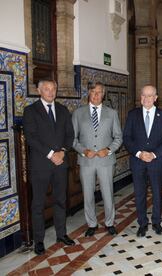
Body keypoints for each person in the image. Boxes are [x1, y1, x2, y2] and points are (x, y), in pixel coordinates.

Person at [23, 79, 75, 255]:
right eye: (46, 89)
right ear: (39, 91)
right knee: (38, 203)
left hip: (60, 163)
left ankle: (61, 234)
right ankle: (39, 240)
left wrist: (62, 151)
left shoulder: (62, 110)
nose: (51, 92)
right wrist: (50, 154)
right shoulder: (30, 111)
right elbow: (31, 137)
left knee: (60, 200)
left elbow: (70, 135)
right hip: (41, 165)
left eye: (53, 89)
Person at [72, 82, 123, 237]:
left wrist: (108, 150)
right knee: (88, 194)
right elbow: (72, 139)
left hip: (106, 161)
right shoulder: (78, 113)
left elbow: (118, 137)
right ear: (89, 93)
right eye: (93, 92)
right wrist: (83, 150)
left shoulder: (112, 113)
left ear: (103, 94)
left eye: (99, 92)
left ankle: (109, 222)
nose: (96, 95)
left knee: (108, 193)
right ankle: (92, 224)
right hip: (86, 161)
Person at [123, 85, 162, 237]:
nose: (147, 98)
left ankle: (156, 223)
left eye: (150, 96)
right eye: (144, 95)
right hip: (138, 161)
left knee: (157, 193)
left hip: (156, 161)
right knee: (139, 193)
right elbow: (127, 138)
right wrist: (139, 153)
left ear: (155, 98)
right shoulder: (133, 115)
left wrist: (154, 154)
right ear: (140, 97)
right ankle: (142, 223)